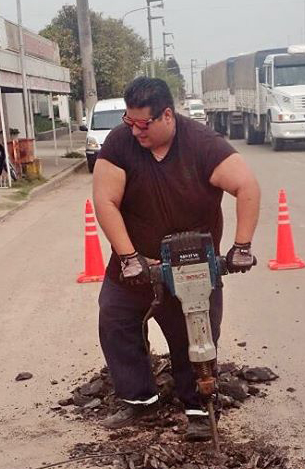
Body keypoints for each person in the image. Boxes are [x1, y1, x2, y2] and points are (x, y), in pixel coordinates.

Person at [92, 77, 260, 440]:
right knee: (116, 319)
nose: (135, 131)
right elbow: (105, 200)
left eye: (143, 124)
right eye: (129, 121)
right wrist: (128, 257)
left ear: (167, 115)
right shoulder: (120, 143)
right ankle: (139, 400)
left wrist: (241, 247)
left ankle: (198, 406)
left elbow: (247, 185)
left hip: (193, 268)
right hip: (136, 263)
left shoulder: (202, 144)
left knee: (196, 337)